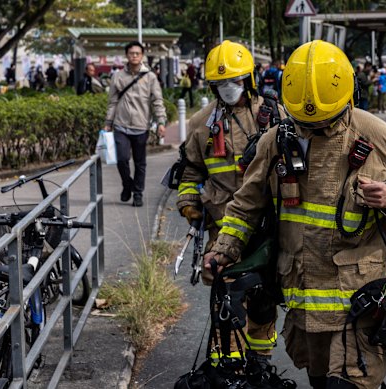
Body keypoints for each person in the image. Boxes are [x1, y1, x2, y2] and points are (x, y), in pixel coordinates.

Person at [204, 40, 386, 389]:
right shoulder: (276, 141)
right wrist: (223, 249)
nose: (313, 129)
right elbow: (246, 205)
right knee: (320, 380)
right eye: (306, 123)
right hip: (305, 301)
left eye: (324, 121)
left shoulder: (378, 137)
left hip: (359, 304)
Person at [176, 40, 285, 374]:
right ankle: (229, 363)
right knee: (228, 296)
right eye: (221, 83)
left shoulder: (270, 114)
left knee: (264, 298)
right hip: (222, 226)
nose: (229, 88)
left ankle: (261, 359)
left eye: (235, 81)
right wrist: (188, 203)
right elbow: (191, 170)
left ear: (248, 79)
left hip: (268, 225)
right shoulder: (200, 124)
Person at [104, 41, 167, 207]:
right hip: (121, 125)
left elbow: (157, 101)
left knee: (140, 163)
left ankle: (138, 193)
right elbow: (112, 102)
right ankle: (127, 184)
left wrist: (161, 122)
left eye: (137, 53)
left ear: (142, 56)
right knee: (122, 159)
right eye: (131, 53)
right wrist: (108, 123)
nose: (134, 56)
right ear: (126, 55)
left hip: (141, 126)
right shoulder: (118, 76)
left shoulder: (150, 77)